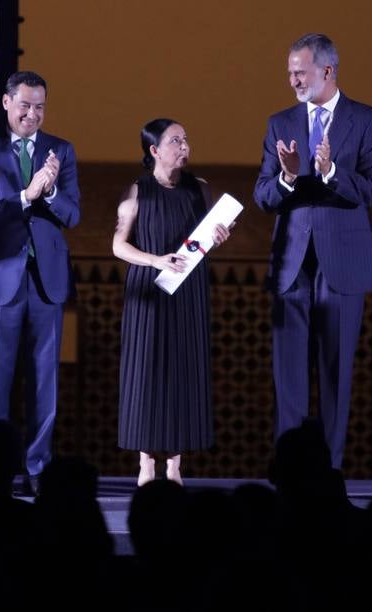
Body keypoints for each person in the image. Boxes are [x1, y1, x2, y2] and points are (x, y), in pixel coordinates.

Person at [254, 33, 372, 470]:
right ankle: (287, 475)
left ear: (327, 71)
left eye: (300, 71)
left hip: (343, 263)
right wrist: (289, 179)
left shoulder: (367, 120)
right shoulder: (280, 122)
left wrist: (330, 173)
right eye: (289, 71)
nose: (292, 79)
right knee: (287, 379)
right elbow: (263, 195)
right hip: (291, 262)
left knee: (335, 375)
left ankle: (329, 474)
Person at [0, 70, 80, 494]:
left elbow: (72, 215)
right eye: (25, 105)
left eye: (40, 107)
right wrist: (27, 196)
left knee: (44, 378)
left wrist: (49, 192)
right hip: (1, 279)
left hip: (46, 280)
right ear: (6, 103)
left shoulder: (61, 151)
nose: (33, 114)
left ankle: (37, 467)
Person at [112, 119, 230, 486]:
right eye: (176, 140)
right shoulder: (138, 191)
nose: (185, 146)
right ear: (154, 150)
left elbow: (203, 238)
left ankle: (175, 464)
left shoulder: (201, 189)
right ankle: (146, 461)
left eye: (186, 140)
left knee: (183, 370)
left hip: (188, 289)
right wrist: (155, 260)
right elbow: (118, 246)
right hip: (148, 289)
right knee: (145, 372)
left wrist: (218, 236)